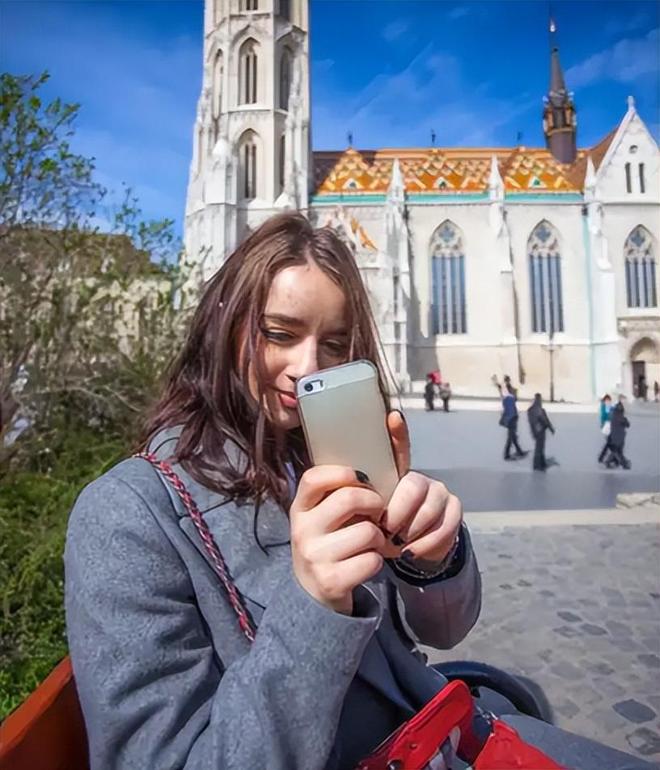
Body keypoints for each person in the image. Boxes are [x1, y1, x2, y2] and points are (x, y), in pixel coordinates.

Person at [65, 213, 652, 770]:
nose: (306, 368)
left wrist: (432, 561)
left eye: (337, 345)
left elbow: (444, 631)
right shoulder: (129, 516)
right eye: (278, 333)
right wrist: (313, 604)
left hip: (439, 733)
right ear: (222, 326)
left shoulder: (326, 457)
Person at [495, 376, 528, 461]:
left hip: (512, 416)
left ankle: (519, 451)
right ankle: (506, 454)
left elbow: (512, 395)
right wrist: (497, 382)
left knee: (513, 436)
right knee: (510, 437)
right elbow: (502, 388)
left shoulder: (510, 393)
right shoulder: (506, 393)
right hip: (511, 417)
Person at [527, 394, 555, 471]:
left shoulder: (530, 410)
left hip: (534, 430)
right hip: (541, 430)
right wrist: (551, 428)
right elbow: (545, 420)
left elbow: (531, 421)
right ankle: (538, 464)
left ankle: (540, 463)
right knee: (540, 447)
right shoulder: (540, 410)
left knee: (538, 447)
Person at [606, 401, 631, 469]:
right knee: (617, 451)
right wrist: (625, 420)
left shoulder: (615, 416)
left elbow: (627, 424)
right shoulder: (618, 416)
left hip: (618, 436)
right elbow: (627, 424)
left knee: (617, 451)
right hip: (618, 436)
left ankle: (611, 462)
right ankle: (622, 463)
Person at [597, 394, 613, 465]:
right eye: (608, 400)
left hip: (608, 427)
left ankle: (602, 457)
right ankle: (607, 458)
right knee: (610, 443)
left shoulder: (605, 406)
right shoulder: (605, 407)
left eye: (609, 400)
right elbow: (605, 416)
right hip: (607, 427)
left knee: (609, 443)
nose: (609, 401)